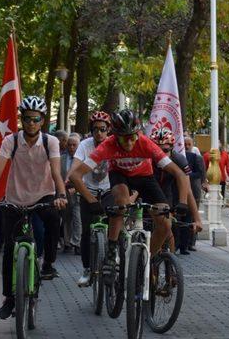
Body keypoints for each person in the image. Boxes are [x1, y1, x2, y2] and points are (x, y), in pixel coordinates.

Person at [68, 109, 191, 285]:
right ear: (115, 135)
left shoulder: (145, 143)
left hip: (144, 178)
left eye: (133, 136)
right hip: (119, 176)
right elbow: (75, 176)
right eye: (124, 137)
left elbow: (179, 174)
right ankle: (111, 254)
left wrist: (182, 202)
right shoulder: (108, 144)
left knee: (165, 221)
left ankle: (148, 258)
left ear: (138, 133)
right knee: (121, 203)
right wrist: (92, 200)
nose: (129, 142)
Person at [0, 96, 67, 320]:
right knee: (9, 248)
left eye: (35, 119)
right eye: (27, 119)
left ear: (42, 121)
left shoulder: (51, 142)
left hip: (43, 194)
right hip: (16, 198)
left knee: (51, 221)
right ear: (21, 119)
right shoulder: (12, 141)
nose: (31, 123)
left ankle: (48, 263)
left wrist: (61, 195)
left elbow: (57, 173)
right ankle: (9, 298)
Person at [70, 111, 115, 286]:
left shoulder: (113, 144)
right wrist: (70, 178)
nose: (99, 133)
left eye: (103, 129)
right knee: (87, 232)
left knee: (115, 224)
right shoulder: (84, 145)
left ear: (108, 130)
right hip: (88, 191)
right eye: (95, 129)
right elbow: (75, 166)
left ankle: (114, 256)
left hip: (108, 190)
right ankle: (88, 269)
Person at [150, 127, 203, 255]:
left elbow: (188, 190)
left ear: (172, 148)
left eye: (165, 150)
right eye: (157, 150)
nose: (161, 154)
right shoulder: (147, 158)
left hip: (167, 192)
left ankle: (171, 267)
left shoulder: (179, 159)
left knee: (167, 228)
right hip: (148, 189)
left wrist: (197, 219)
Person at [60, 134, 82, 254]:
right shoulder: (61, 159)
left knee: (77, 217)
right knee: (66, 217)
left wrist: (78, 188)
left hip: (78, 191)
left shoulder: (83, 158)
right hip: (65, 191)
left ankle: (77, 243)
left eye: (74, 145)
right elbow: (58, 175)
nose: (71, 147)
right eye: (69, 145)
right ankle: (67, 243)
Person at [184, 136, 206, 251]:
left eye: (189, 144)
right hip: (183, 191)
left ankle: (191, 242)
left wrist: (186, 175)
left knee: (193, 216)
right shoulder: (180, 157)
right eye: (185, 144)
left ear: (192, 145)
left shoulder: (197, 158)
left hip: (194, 190)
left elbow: (201, 174)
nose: (187, 146)